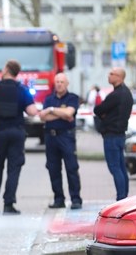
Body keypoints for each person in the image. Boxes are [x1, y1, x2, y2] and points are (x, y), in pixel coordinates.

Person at [0, 59, 38, 215]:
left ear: (7, 70)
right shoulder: (22, 90)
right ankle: (9, 205)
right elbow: (32, 111)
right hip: (16, 133)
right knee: (13, 170)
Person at [39, 73, 82, 210]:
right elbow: (43, 117)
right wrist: (61, 114)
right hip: (51, 137)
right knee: (53, 169)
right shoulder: (48, 98)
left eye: (62, 82)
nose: (59, 84)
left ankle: (76, 199)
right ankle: (59, 199)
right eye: (57, 81)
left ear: (67, 83)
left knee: (71, 168)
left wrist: (51, 110)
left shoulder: (73, 98)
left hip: (66, 137)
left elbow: (69, 114)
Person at [94, 67, 133, 201]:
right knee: (121, 167)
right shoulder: (126, 93)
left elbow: (99, 109)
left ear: (120, 77)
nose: (108, 76)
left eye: (112, 74)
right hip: (120, 134)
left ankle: (121, 198)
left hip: (112, 135)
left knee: (115, 168)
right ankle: (124, 197)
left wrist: (104, 114)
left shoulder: (116, 95)